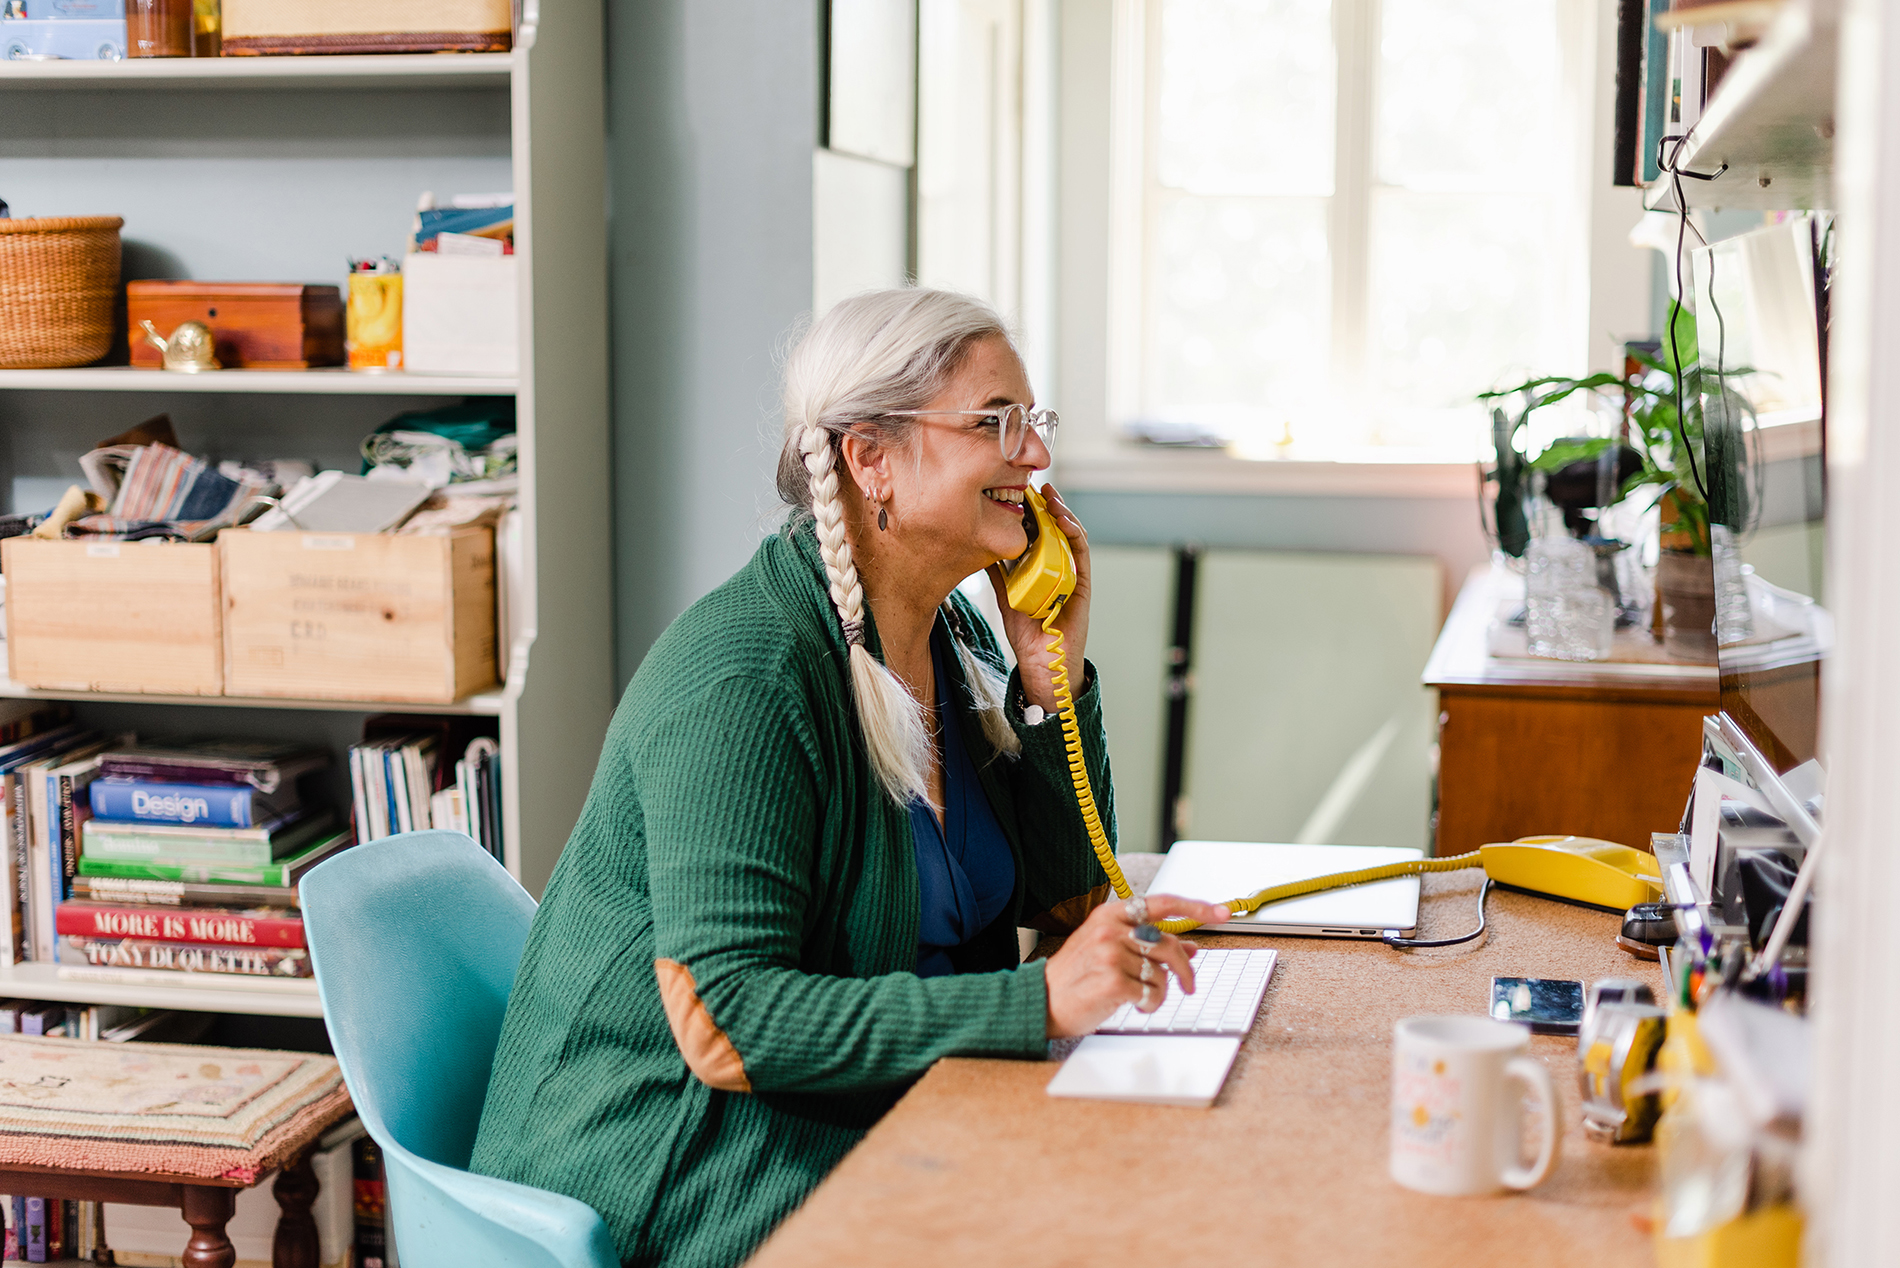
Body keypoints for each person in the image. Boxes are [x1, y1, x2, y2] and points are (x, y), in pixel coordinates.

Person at [470, 288, 1227, 1267]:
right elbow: (726, 1022)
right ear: (871, 456)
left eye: (1033, 423)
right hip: (682, 1165)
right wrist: (1035, 1002)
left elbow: (1069, 894)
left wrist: (1050, 682)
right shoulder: (744, 679)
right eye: (996, 423)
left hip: (880, 1110)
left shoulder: (945, 639)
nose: (1034, 457)